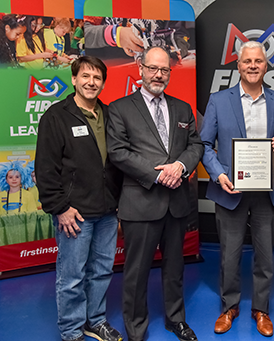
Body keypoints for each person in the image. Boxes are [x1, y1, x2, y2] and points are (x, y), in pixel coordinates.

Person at [107, 46, 203, 341]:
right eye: (153, 68)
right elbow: (118, 152)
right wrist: (160, 174)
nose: (158, 75)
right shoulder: (120, 108)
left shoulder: (182, 108)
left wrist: (180, 167)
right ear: (141, 68)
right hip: (141, 203)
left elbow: (195, 146)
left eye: (164, 70)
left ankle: (176, 319)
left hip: (176, 204)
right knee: (136, 273)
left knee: (175, 268)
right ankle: (136, 329)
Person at [200, 41, 274, 337]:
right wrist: (218, 174)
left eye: (258, 61)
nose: (253, 66)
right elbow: (204, 144)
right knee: (229, 254)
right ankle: (230, 307)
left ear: (266, 66)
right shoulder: (218, 100)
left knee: (265, 256)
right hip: (230, 191)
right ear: (238, 65)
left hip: (268, 192)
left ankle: (261, 309)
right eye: (247, 61)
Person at [35, 56, 123, 341]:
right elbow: (45, 168)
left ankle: (95, 321)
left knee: (101, 271)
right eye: (85, 76)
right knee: (72, 276)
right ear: (74, 79)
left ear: (103, 83)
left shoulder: (109, 114)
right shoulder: (56, 116)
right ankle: (72, 329)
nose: (91, 82)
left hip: (108, 211)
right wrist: (60, 208)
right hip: (74, 214)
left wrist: (120, 204)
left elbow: (118, 163)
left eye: (97, 78)